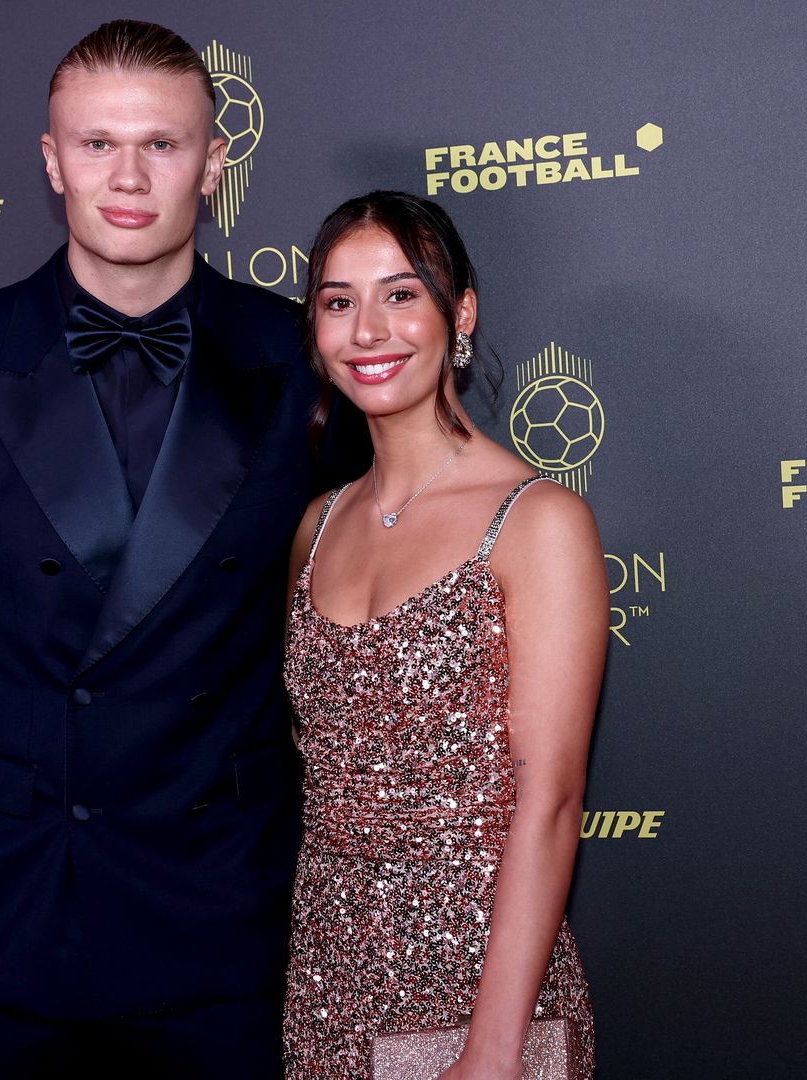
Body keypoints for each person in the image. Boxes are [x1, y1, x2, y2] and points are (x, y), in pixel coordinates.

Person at [0, 20, 362, 1080]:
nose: (128, 178)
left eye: (162, 145)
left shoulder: (307, 359)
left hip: (228, 911)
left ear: (214, 163)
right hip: (11, 916)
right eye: (96, 144)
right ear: (50, 160)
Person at [281, 191, 608, 1080]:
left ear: (458, 312)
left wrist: (492, 1049)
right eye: (338, 302)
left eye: (401, 294)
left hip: (481, 998)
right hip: (327, 988)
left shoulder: (536, 520)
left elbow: (548, 802)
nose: (368, 330)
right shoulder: (315, 527)